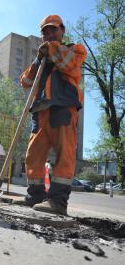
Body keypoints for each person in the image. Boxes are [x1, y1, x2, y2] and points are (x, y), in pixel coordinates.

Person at [17, 15, 87, 215]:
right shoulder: (41, 60)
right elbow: (25, 82)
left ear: (62, 31)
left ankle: (57, 201)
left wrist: (52, 50)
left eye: (53, 30)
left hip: (63, 107)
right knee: (33, 155)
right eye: (45, 32)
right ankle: (35, 196)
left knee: (64, 153)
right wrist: (38, 59)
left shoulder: (75, 50)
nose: (49, 35)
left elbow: (70, 64)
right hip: (40, 111)